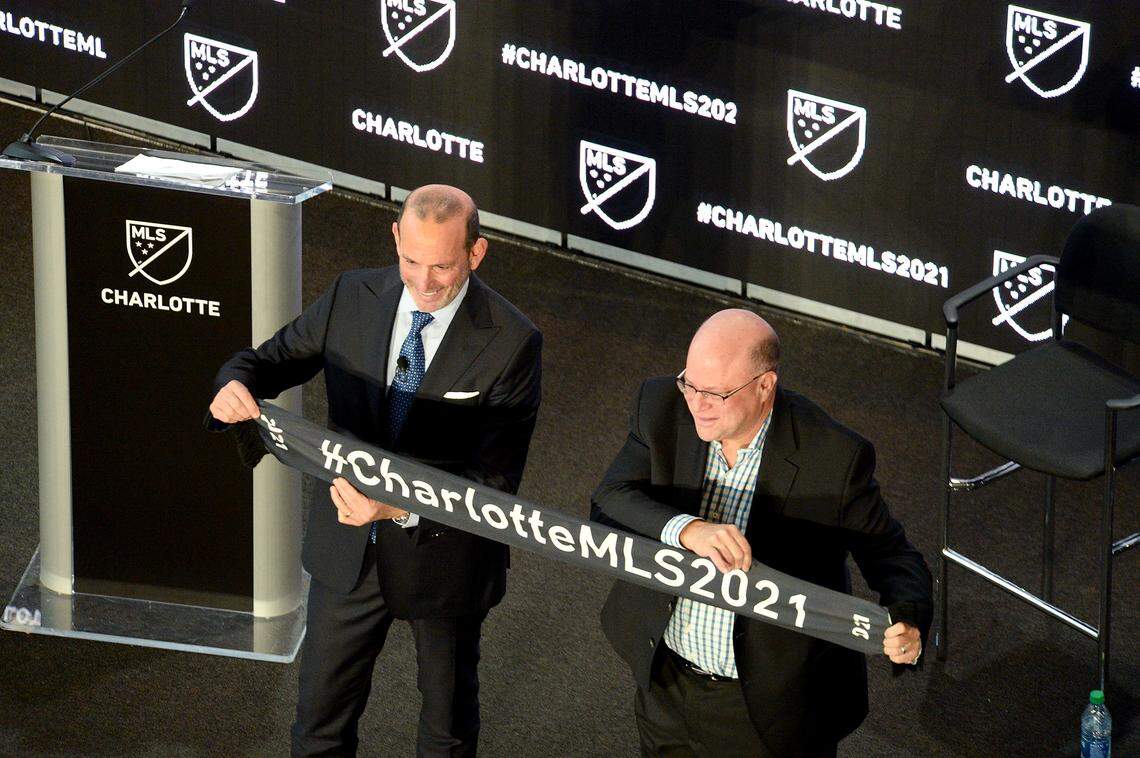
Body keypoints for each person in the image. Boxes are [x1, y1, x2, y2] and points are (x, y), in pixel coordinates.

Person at [207, 185, 542, 757]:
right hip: (347, 547)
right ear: (395, 238)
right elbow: (268, 361)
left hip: (446, 562)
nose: (424, 281)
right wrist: (232, 385)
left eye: (442, 265)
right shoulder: (351, 294)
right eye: (411, 260)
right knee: (318, 724)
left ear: (476, 254)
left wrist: (398, 505)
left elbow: (496, 485)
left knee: (446, 731)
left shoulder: (513, 341)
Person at [591, 309, 932, 757]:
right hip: (665, 680)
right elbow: (609, 499)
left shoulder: (833, 455)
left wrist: (907, 618)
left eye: (715, 393)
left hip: (767, 707)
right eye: (689, 384)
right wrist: (687, 530)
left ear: (765, 386)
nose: (696, 404)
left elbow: (892, 555)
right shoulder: (661, 405)